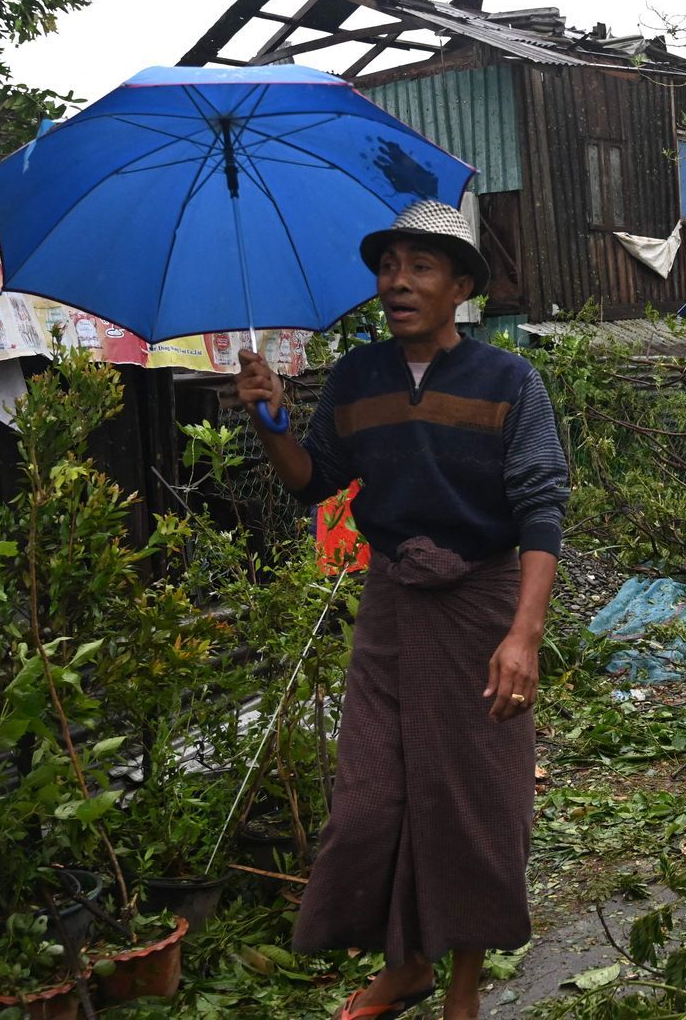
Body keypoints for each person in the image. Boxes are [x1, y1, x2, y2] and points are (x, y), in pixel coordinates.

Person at [234, 200, 569, 1020]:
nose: (398, 283)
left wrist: (524, 636)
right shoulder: (356, 378)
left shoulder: (508, 380)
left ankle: (460, 982)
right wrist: (271, 418)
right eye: (388, 267)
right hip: (392, 605)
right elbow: (314, 483)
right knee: (373, 798)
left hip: (484, 605)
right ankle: (405, 963)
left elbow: (541, 508)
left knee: (473, 802)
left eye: (420, 267)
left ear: (460, 286)